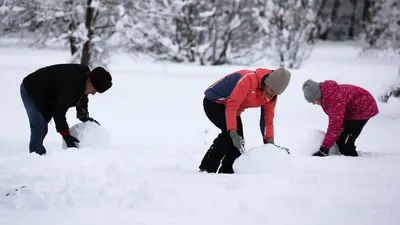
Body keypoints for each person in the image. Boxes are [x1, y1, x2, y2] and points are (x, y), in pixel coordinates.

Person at [199, 67, 291, 174]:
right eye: (271, 90)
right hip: (214, 102)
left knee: (239, 142)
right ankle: (207, 168)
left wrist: (269, 142)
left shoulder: (271, 97)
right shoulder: (249, 80)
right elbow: (232, 105)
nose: (271, 94)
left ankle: (227, 172)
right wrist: (232, 132)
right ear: (266, 83)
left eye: (275, 93)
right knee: (229, 135)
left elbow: (267, 119)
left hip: (233, 110)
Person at [20, 64, 113, 155]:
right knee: (40, 127)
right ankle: (35, 157)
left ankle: (38, 154)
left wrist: (84, 116)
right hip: (31, 89)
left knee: (42, 126)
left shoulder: (84, 78)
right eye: (94, 90)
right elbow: (59, 111)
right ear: (89, 81)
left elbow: (82, 97)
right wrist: (66, 135)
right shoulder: (71, 84)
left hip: (47, 94)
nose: (93, 93)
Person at [302, 79, 379, 157]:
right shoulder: (327, 96)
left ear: (317, 96)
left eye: (312, 101)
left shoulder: (333, 99)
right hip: (351, 111)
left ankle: (354, 163)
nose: (313, 104)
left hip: (363, 107)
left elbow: (335, 125)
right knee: (340, 138)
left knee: (346, 143)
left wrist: (324, 149)